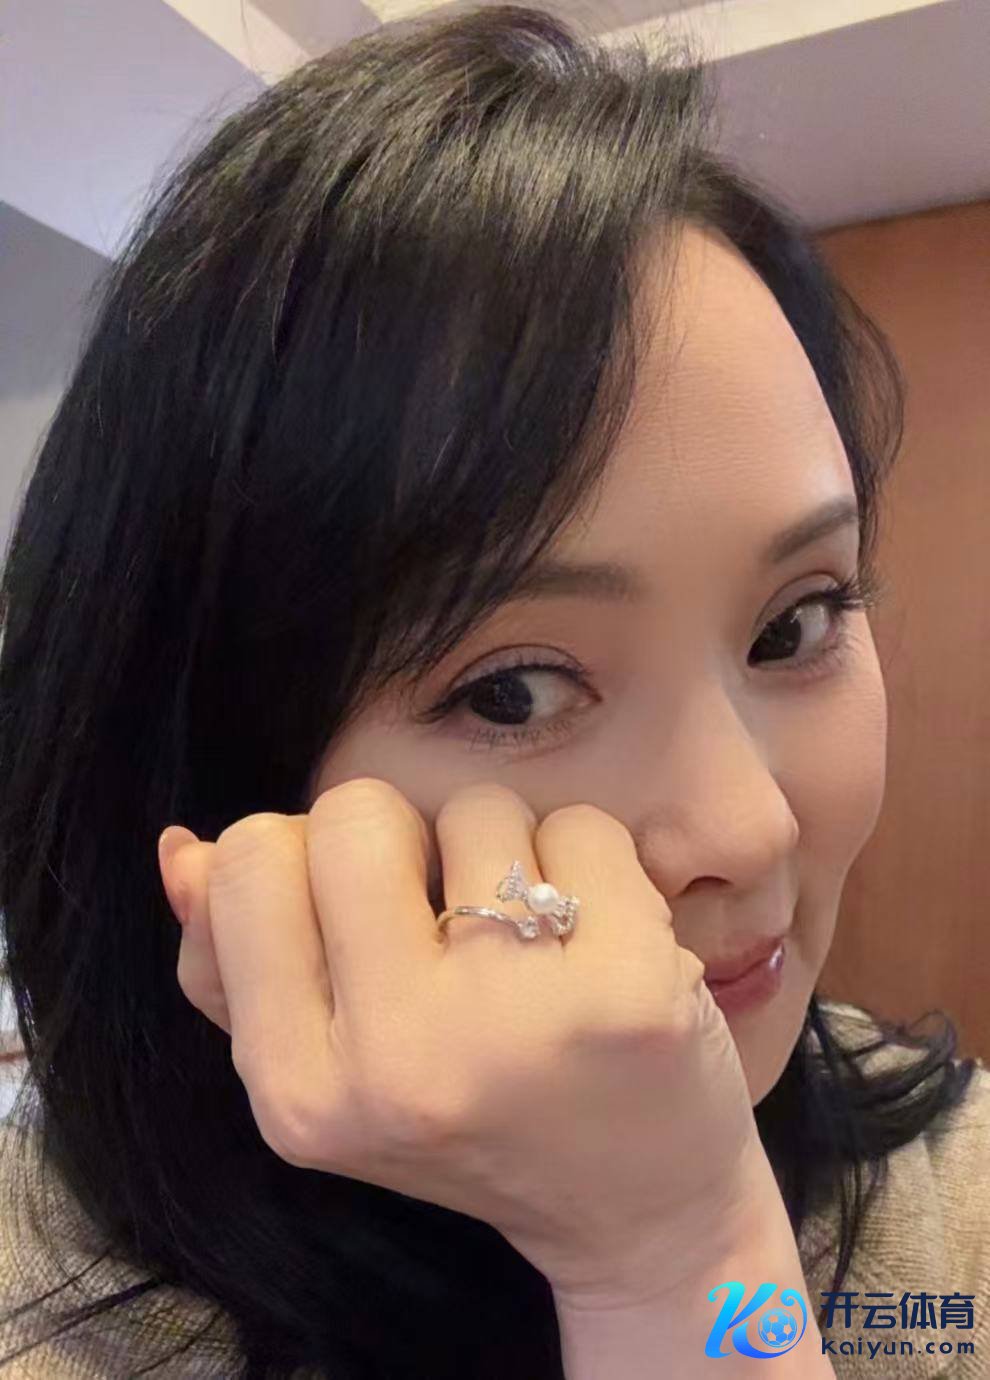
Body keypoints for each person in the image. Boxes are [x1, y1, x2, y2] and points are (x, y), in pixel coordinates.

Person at [0, 4, 986, 1377]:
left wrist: (680, 1261)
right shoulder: (40, 1301)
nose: (750, 827)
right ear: (208, 775)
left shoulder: (959, 1213)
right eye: (514, 692)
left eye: (794, 624)